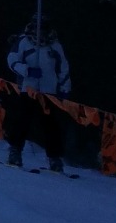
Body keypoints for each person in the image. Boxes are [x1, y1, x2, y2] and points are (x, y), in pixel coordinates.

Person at [4, 25, 72, 171]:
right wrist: (26, 70)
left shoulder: (55, 45)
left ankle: (54, 158)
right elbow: (12, 60)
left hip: (49, 92)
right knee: (22, 120)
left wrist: (64, 88)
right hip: (28, 89)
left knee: (51, 125)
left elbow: (63, 68)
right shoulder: (23, 41)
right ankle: (15, 151)